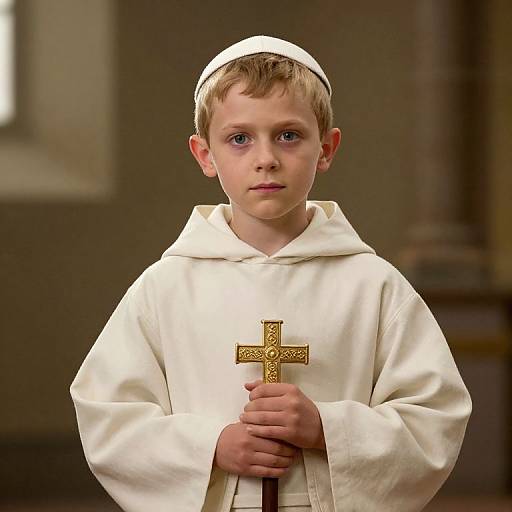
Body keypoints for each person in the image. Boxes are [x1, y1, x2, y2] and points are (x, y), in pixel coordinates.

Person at [70, 35, 471, 512]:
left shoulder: (374, 285)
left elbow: (434, 417)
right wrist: (212, 446)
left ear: (326, 148)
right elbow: (109, 417)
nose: (266, 158)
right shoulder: (165, 288)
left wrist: (326, 428)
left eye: (288, 135)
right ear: (204, 154)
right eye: (239, 138)